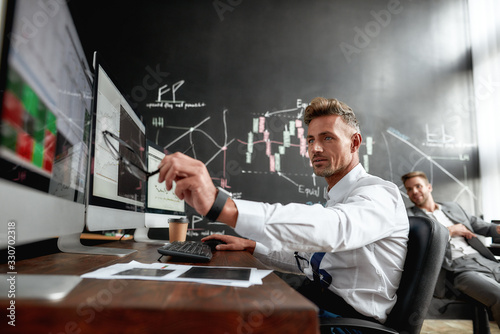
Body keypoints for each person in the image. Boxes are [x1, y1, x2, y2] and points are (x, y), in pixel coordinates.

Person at [158, 97, 409, 323]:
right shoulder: (338, 198)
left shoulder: (379, 193)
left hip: (347, 323)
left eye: (327, 138)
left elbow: (335, 230)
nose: (316, 148)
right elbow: (307, 262)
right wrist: (252, 246)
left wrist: (221, 205)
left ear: (354, 142)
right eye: (311, 140)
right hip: (318, 304)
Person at [402, 171, 500, 328]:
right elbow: (417, 244)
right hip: (457, 271)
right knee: (498, 295)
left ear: (429, 187)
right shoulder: (408, 217)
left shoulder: (453, 207)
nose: (414, 192)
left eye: (418, 186)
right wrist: (449, 231)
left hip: (484, 261)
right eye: (409, 189)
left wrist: (497, 229)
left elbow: (480, 226)